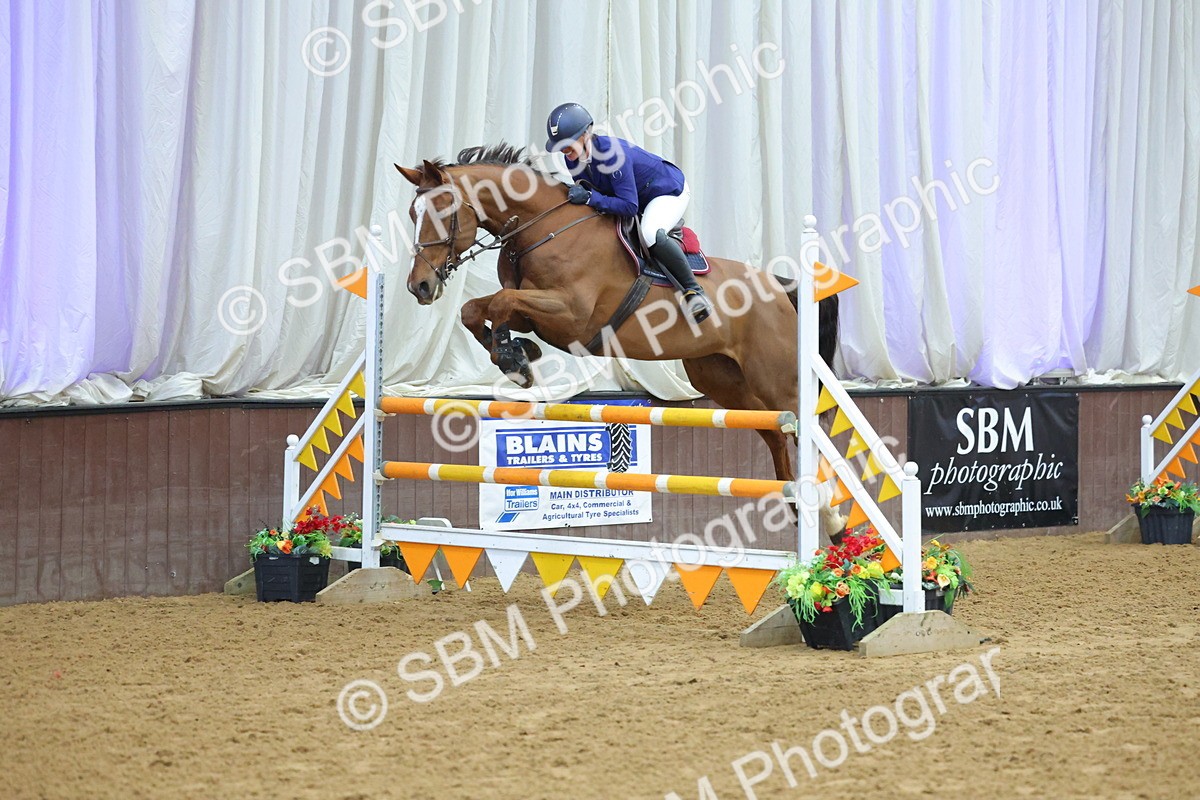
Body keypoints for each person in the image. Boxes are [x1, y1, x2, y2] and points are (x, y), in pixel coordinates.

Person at [545, 102, 712, 323]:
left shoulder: (613, 155)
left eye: (567, 143)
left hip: (667, 191)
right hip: (635, 196)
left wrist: (590, 198)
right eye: (560, 146)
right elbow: (593, 192)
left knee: (651, 233)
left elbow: (628, 206)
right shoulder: (572, 159)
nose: (563, 150)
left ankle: (695, 293)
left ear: (585, 135)